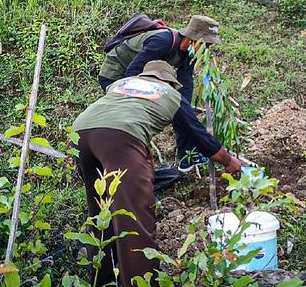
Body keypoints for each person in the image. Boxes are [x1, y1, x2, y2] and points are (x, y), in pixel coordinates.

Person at [73, 60, 241, 286]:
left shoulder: (122, 83)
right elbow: (197, 135)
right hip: (121, 138)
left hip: (80, 133)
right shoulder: (171, 95)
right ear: (170, 81)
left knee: (100, 212)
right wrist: (228, 160)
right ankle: (139, 282)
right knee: (132, 219)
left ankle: (100, 279)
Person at [98, 15, 222, 172]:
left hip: (141, 75)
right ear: (193, 38)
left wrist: (184, 109)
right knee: (131, 117)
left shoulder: (189, 54)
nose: (207, 49)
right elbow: (133, 72)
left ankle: (186, 158)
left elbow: (184, 86)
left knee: (180, 108)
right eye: (206, 44)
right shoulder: (163, 41)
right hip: (115, 74)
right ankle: (125, 167)